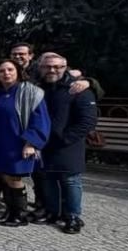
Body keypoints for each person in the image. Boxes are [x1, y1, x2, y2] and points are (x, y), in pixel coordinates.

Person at [0, 59, 50, 227]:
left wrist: (31, 143)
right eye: (2, 71)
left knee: (15, 178)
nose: (6, 73)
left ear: (18, 72)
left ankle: (19, 214)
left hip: (18, 144)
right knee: (4, 177)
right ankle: (9, 211)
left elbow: (40, 119)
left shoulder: (31, 92)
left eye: (10, 70)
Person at [36, 53, 97, 234]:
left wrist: (64, 139)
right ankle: (53, 212)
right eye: (47, 67)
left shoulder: (78, 89)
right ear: (41, 68)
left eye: (57, 67)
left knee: (70, 181)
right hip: (44, 144)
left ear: (66, 67)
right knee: (48, 179)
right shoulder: (39, 88)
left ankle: (73, 216)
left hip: (68, 145)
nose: (52, 70)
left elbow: (87, 121)